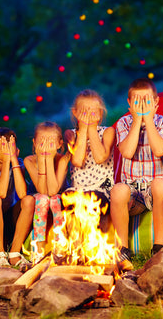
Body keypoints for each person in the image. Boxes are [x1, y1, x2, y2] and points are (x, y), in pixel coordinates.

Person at [110, 78, 163, 271]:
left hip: (157, 190)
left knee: (160, 185)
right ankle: (123, 248)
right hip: (133, 190)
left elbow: (159, 150)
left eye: (146, 100)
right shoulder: (123, 123)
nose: (142, 105)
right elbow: (127, 152)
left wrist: (148, 120)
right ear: (129, 104)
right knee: (118, 190)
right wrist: (137, 121)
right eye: (137, 101)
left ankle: (159, 246)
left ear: (156, 103)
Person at [63, 89, 115, 231]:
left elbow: (100, 157)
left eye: (93, 111)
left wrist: (91, 128)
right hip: (78, 188)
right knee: (70, 201)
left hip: (103, 188)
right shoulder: (71, 134)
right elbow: (77, 161)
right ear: (75, 112)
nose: (89, 116)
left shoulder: (107, 132)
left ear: (100, 112)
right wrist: (83, 129)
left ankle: (96, 246)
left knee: (92, 199)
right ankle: (73, 247)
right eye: (84, 112)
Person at [0, 127, 35, 267]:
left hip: (9, 216)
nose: (6, 149)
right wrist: (6, 162)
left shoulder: (17, 163)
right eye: (1, 145)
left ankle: (14, 254)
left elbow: (22, 194)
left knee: (29, 200)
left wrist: (13, 160)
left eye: (9, 145)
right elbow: (0, 193)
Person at [24, 121, 70, 264]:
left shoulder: (63, 160)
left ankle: (60, 249)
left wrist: (49, 159)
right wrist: (43, 160)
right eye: (41, 141)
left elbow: (53, 190)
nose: (46, 146)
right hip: (39, 200)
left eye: (50, 142)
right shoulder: (29, 160)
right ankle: (37, 251)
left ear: (59, 143)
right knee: (43, 199)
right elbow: (43, 190)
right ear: (34, 142)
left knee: (54, 199)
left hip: (58, 201)